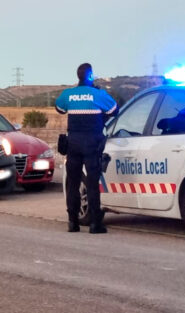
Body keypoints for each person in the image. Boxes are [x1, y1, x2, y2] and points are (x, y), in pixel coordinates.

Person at [55, 63, 118, 234]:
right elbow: (114, 110)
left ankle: (72, 222)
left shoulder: (68, 94)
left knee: (73, 184)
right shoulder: (97, 94)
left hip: (73, 143)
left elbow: (59, 108)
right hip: (92, 143)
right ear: (90, 75)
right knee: (92, 183)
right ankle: (95, 224)